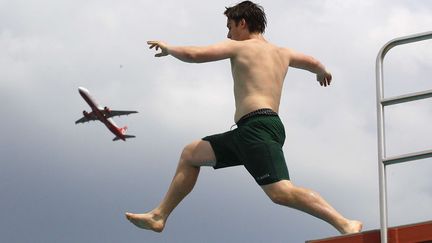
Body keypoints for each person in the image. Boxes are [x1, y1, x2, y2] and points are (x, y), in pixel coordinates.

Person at [126, 1, 362, 235]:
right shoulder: (283, 52)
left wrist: (169, 48)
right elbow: (311, 61)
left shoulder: (241, 47)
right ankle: (159, 215)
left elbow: (193, 54)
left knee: (281, 192)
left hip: (257, 128)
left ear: (242, 23)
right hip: (249, 130)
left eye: (229, 26)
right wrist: (322, 71)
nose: (227, 34)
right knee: (191, 154)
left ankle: (344, 223)